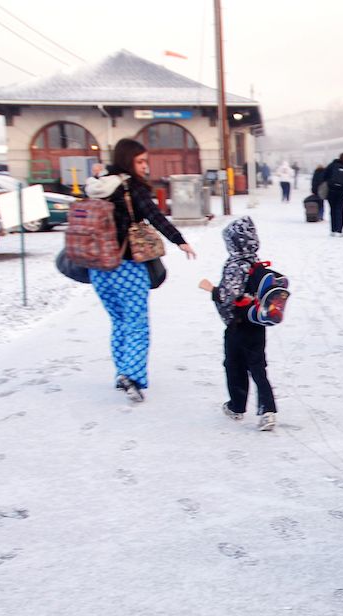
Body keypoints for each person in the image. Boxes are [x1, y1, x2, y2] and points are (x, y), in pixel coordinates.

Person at [84, 138, 196, 403]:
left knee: (119, 321)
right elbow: (155, 217)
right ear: (128, 161)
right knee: (137, 324)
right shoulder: (131, 187)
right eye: (140, 161)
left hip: (98, 268)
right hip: (127, 266)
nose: (145, 166)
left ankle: (121, 371)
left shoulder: (98, 185)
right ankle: (131, 376)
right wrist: (180, 241)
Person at [197, 217, 277, 431]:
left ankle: (236, 406)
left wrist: (210, 289)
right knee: (258, 368)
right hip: (256, 324)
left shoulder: (235, 265)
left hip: (237, 325)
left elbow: (227, 295)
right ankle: (268, 411)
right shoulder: (257, 263)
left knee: (234, 365)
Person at [324, 153, 343, 236]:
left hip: (332, 191)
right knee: (340, 210)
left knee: (332, 210)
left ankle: (333, 230)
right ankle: (340, 230)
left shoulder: (332, 165)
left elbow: (325, 176)